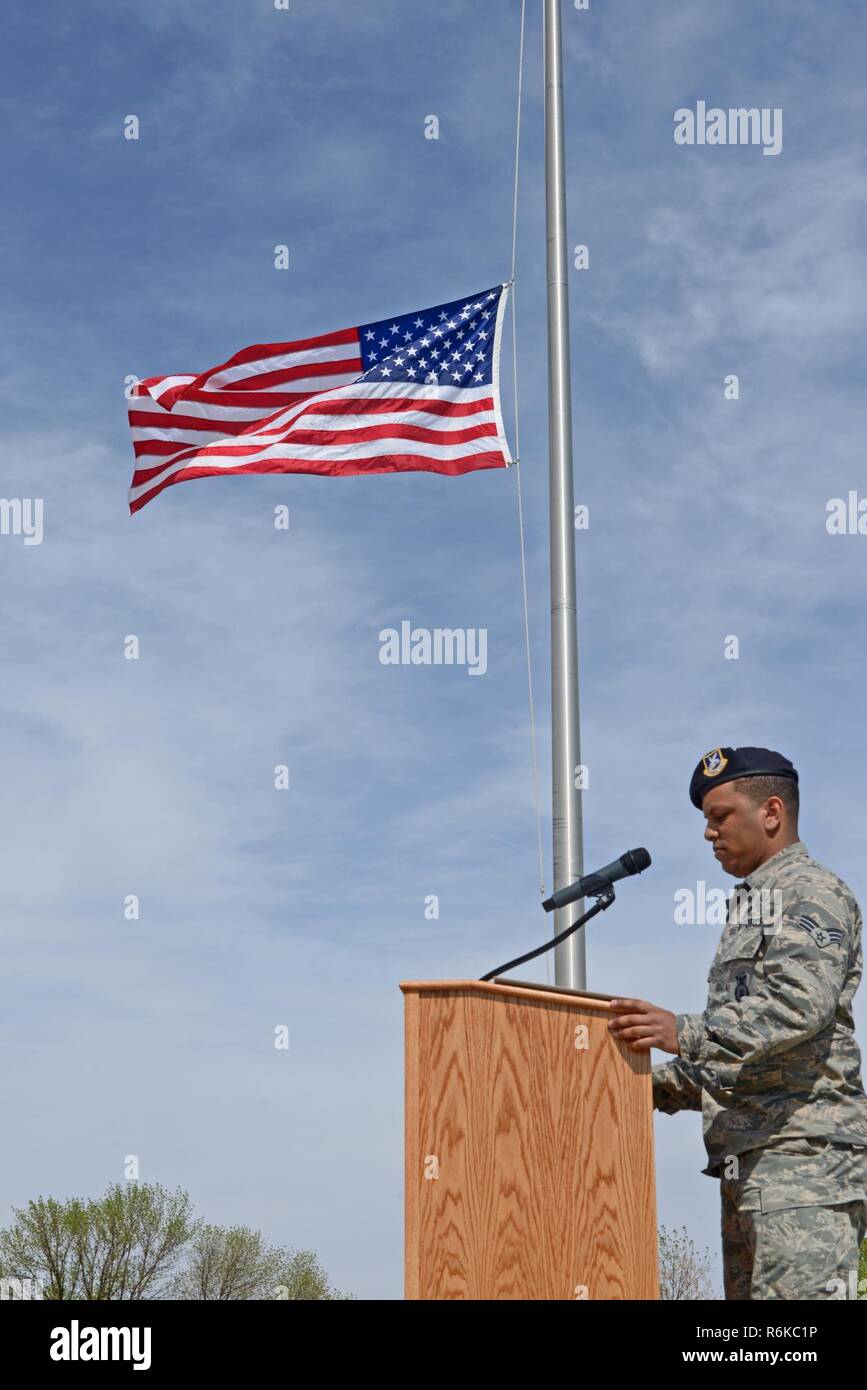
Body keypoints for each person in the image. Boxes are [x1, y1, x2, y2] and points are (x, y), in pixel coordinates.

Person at [607, 745, 867, 1300]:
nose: (709, 833)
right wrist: (635, 1087)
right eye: (706, 820)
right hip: (748, 1167)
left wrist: (686, 1031)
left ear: (771, 812)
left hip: (803, 1165)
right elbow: (740, 1058)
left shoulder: (809, 891)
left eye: (720, 817)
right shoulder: (754, 903)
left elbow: (800, 1006)